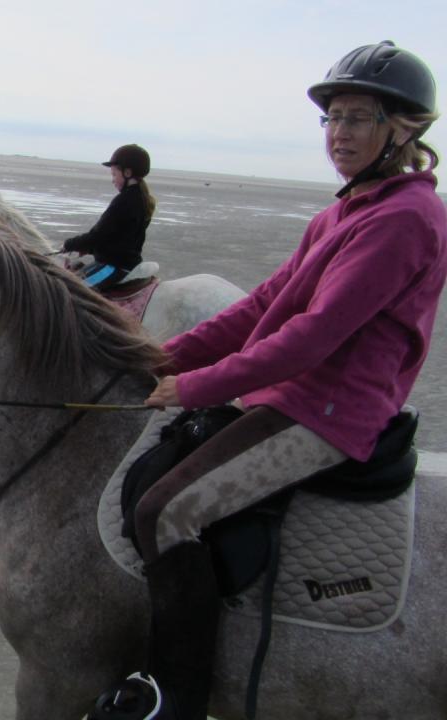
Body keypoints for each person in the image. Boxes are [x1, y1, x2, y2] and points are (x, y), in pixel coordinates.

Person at [91, 41, 445, 720]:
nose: (339, 134)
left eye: (358, 118)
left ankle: (176, 696)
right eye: (333, 119)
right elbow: (259, 308)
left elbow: (312, 337)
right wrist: (161, 358)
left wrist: (194, 387)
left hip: (330, 410)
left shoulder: (403, 219)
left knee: (168, 510)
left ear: (403, 129)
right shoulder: (341, 213)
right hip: (287, 393)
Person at [63, 144, 156, 289]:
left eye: (114, 174)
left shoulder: (124, 200)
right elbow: (117, 238)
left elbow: (98, 235)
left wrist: (69, 244)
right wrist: (90, 249)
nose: (112, 179)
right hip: (128, 264)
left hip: (114, 266)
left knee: (72, 291)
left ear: (127, 173)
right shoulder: (142, 199)